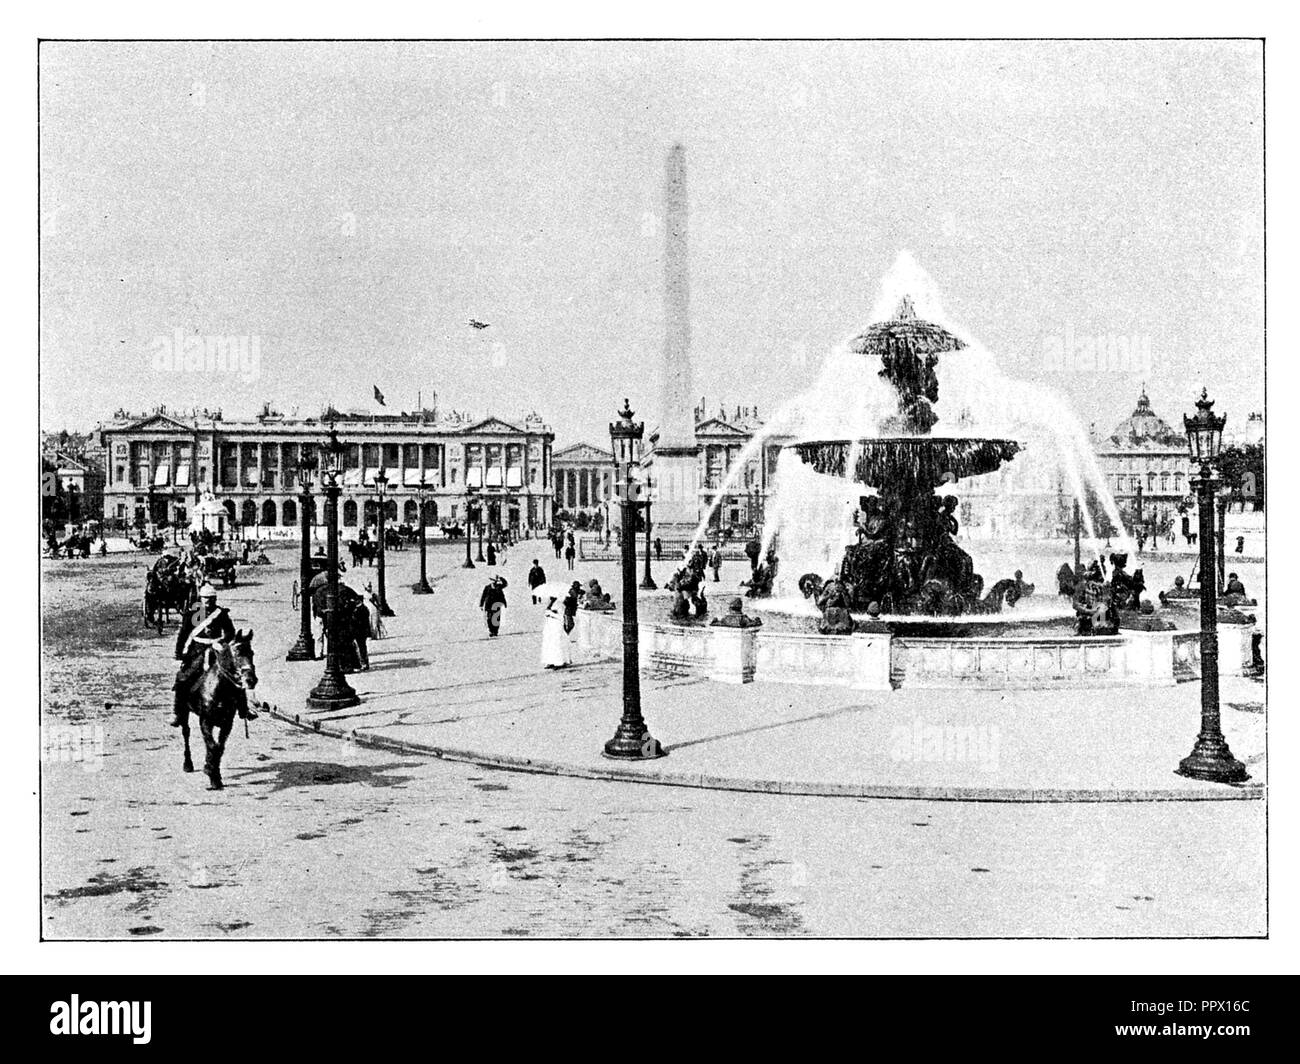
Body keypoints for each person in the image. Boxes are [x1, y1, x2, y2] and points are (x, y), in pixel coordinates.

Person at [169, 583, 256, 727]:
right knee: (182, 678)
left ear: (215, 599)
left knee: (234, 676)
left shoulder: (220, 613)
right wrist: (178, 655)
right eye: (205, 599)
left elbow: (230, 632)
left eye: (210, 599)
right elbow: (183, 634)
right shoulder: (193, 614)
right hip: (197, 651)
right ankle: (177, 712)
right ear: (200, 599)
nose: (208, 601)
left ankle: (243, 709)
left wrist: (221, 641)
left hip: (217, 650)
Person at [540, 588, 573, 668]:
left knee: (557, 643)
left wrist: (550, 613)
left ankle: (559, 662)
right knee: (549, 643)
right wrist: (549, 612)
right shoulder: (550, 603)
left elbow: (560, 616)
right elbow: (546, 612)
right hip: (549, 625)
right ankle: (550, 661)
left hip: (557, 625)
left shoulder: (560, 603)